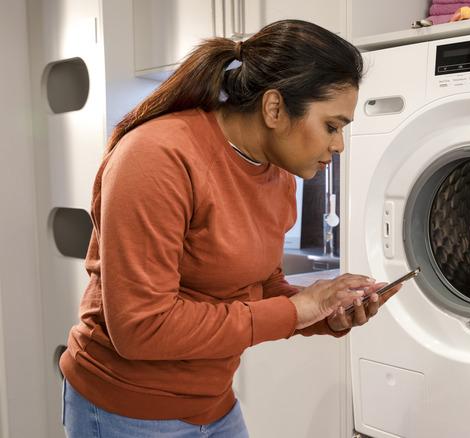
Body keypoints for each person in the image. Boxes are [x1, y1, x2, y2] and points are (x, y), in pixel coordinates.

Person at [59, 20, 398, 437]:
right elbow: (140, 328)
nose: (339, 144)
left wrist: (324, 313)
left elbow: (260, 285)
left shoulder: (277, 175)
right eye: (332, 126)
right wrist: (297, 310)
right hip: (126, 409)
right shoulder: (157, 158)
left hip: (214, 403)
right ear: (274, 108)